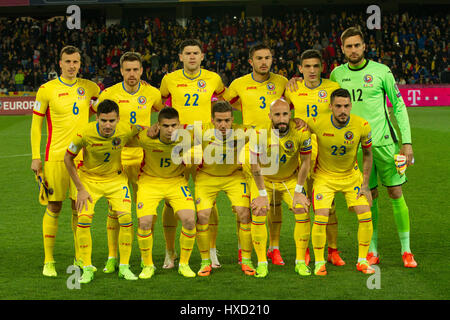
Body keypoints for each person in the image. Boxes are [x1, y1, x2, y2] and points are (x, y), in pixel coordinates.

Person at [329, 27, 416, 268]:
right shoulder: (336, 74)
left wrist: (406, 142)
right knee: (369, 196)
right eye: (349, 46)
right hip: (355, 149)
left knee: (396, 193)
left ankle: (406, 250)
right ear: (342, 48)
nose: (353, 50)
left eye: (357, 45)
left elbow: (398, 106)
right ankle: (373, 250)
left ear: (364, 46)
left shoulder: (381, 71)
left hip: (386, 144)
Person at [30, 45, 100, 277]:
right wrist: (35, 157)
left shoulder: (90, 88)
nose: (72, 66)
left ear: (81, 64)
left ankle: (80, 257)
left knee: (78, 207)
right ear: (60, 63)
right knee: (54, 206)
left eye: (76, 62)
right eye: (68, 61)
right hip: (55, 158)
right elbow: (36, 126)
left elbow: (105, 110)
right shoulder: (46, 89)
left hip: (83, 158)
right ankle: (48, 261)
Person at [93, 51, 164, 274]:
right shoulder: (109, 94)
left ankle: (146, 258)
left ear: (142, 70)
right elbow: (99, 121)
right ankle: (113, 256)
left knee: (146, 209)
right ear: (121, 71)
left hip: (144, 158)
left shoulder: (152, 93)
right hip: (118, 158)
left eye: (136, 70)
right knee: (115, 210)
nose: (132, 74)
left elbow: (165, 116)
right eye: (127, 70)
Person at [158, 39, 226, 269]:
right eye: (187, 53)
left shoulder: (213, 79)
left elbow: (221, 102)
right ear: (180, 57)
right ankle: (170, 251)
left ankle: (212, 250)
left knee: (209, 196)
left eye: (196, 53)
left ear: (202, 56)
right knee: (171, 198)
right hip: (177, 144)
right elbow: (162, 107)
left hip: (206, 144)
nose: (192, 57)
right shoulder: (169, 80)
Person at [223, 43, 290, 266]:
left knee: (275, 202)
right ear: (250, 61)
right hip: (249, 148)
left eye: (268, 58)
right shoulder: (238, 84)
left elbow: (291, 105)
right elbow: (227, 105)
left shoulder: (282, 82)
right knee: (249, 202)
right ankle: (244, 248)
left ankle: (274, 247)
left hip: (276, 147)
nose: (264, 62)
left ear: (272, 59)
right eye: (259, 58)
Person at [64, 99, 143, 284]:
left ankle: (124, 266)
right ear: (97, 118)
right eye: (104, 120)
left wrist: (154, 128)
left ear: (118, 119)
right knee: (83, 219)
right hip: (89, 180)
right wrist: (80, 189)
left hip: (116, 180)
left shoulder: (125, 128)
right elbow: (68, 158)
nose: (108, 125)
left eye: (112, 121)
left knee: (126, 218)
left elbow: (141, 127)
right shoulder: (84, 133)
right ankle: (87, 267)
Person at [284, 49, 345, 266]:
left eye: (316, 66)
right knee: (302, 203)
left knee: (328, 205)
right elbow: (280, 114)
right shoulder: (291, 89)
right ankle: (306, 249)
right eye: (307, 66)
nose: (311, 70)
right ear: (300, 69)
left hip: (327, 151)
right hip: (300, 154)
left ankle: (333, 250)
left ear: (322, 68)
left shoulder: (332, 88)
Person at [307, 88, 375, 276]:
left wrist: (366, 184)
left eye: (346, 106)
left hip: (351, 177)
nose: (342, 110)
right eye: (338, 106)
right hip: (324, 177)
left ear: (351, 106)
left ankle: (362, 260)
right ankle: (320, 262)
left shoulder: (361, 125)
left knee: (365, 214)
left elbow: (368, 154)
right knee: (321, 216)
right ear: (330, 107)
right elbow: (298, 132)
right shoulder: (317, 123)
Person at [130, 107, 198, 278]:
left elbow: (206, 128)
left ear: (179, 125)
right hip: (149, 181)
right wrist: (144, 128)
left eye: (174, 125)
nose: (170, 130)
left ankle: (184, 263)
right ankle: (147, 265)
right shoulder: (146, 138)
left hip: (176, 182)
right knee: (144, 223)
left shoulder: (188, 137)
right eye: (165, 126)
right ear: (158, 126)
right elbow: (127, 130)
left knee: (190, 220)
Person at [249, 99, 312, 278]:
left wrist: (299, 191)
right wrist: (261, 194)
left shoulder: (301, 132)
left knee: (302, 209)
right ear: (270, 116)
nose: (282, 118)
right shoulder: (259, 132)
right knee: (260, 210)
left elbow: (306, 162)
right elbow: (255, 166)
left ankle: (300, 261)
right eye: (277, 115)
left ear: (290, 114)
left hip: (289, 179)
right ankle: (262, 262)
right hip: (264, 179)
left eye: (285, 114)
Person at [192, 101, 255, 277]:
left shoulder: (243, 131)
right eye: (219, 120)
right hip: (207, 177)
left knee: (244, 213)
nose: (223, 125)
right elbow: (173, 129)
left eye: (227, 120)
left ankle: (247, 260)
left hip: (233, 176)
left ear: (232, 119)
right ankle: (205, 262)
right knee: (203, 216)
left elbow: (267, 127)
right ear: (212, 120)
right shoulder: (200, 130)